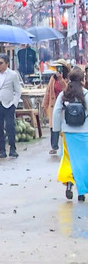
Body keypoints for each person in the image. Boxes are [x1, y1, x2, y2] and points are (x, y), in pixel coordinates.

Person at [52, 69, 88, 201]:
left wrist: (56, 130)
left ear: (69, 80)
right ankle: (81, 192)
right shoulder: (86, 94)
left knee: (68, 159)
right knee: (83, 161)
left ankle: (69, 183)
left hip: (68, 133)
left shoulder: (64, 94)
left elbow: (56, 112)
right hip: (84, 133)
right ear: (82, 80)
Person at [0, 55, 23, 159]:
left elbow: (18, 91)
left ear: (7, 64)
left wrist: (14, 103)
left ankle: (12, 148)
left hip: (8, 104)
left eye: (1, 63)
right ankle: (2, 149)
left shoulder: (13, 75)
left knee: (10, 126)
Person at [44, 68, 67, 157]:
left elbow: (66, 89)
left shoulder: (66, 78)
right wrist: (45, 104)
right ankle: (54, 146)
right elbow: (48, 91)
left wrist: (61, 79)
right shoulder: (52, 78)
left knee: (64, 126)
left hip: (64, 105)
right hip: (53, 104)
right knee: (53, 125)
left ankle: (65, 146)